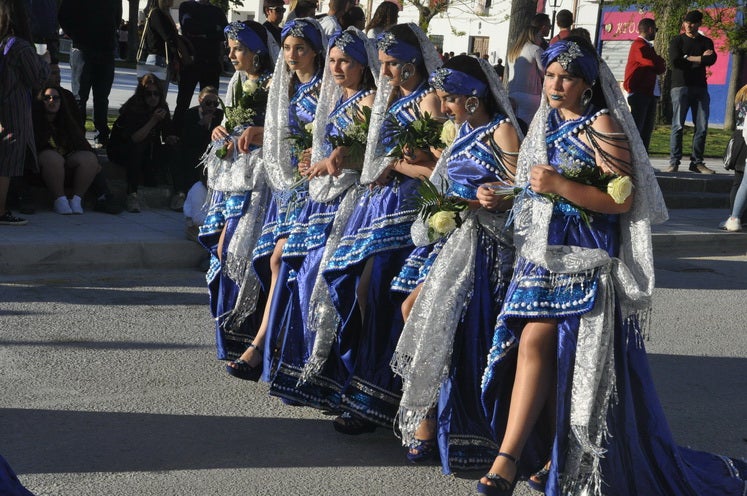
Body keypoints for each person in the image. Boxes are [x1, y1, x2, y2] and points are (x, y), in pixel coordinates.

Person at [477, 37, 747, 496]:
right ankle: (535, 453)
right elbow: (530, 190)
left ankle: (512, 458)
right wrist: (500, 195)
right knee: (540, 346)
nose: (556, 85)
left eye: (567, 77)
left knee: (556, 348)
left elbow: (620, 202)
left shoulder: (601, 122)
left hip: (583, 253)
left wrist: (561, 185)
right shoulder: (543, 124)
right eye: (551, 76)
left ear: (586, 84)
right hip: (542, 255)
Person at [391, 54, 521, 472]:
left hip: (485, 244)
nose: (443, 107)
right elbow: (445, 179)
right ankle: (429, 417)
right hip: (454, 236)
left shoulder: (501, 130)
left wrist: (483, 199)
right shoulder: (461, 130)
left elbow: (521, 192)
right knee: (416, 310)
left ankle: (438, 424)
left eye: (448, 99)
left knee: (427, 314)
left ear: (471, 97)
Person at [320, 23, 443, 434]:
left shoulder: (431, 103)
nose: (385, 72)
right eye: (383, 63)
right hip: (376, 207)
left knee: (379, 294)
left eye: (392, 64)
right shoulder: (390, 99)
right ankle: (358, 385)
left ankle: (380, 398)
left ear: (412, 64)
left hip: (412, 213)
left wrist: (397, 164)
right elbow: (372, 155)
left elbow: (442, 173)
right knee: (356, 289)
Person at [267, 27, 379, 408]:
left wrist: (343, 157)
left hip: (352, 201)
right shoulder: (332, 100)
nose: (336, 67)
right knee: (297, 271)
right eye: (331, 60)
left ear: (363, 65)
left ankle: (333, 375)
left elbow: (376, 157)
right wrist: (311, 160)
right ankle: (302, 368)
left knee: (325, 280)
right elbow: (321, 145)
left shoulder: (371, 101)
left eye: (344, 60)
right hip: (320, 199)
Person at [229, 18, 325, 383]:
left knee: (279, 258)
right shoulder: (282, 86)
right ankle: (269, 346)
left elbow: (323, 136)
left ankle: (262, 346)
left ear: (315, 50)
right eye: (286, 48)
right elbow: (278, 131)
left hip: (309, 186)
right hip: (284, 186)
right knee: (270, 261)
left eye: (300, 48)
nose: (292, 55)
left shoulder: (322, 91)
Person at [197, 21, 278, 367]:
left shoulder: (274, 84)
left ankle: (249, 334)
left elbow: (280, 128)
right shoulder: (235, 82)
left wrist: (259, 133)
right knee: (223, 248)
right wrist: (222, 128)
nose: (231, 55)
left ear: (257, 52)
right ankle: (232, 335)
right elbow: (231, 120)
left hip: (261, 179)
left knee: (242, 249)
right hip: (235, 175)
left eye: (238, 49)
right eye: (229, 48)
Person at [0, 0, 50, 226]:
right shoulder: (19, 46)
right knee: (7, 165)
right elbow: (37, 78)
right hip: (12, 111)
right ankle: (1, 211)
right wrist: (46, 62)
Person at [107, 73, 178, 213]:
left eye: (156, 94)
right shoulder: (133, 109)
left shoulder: (162, 107)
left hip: (148, 151)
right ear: (142, 94)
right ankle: (131, 194)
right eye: (149, 94)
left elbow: (166, 133)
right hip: (123, 149)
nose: (153, 98)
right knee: (138, 147)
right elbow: (134, 139)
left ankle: (179, 192)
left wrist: (170, 137)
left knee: (175, 148)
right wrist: (153, 121)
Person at [58, 0, 120, 147]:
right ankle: (77, 136)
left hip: (105, 48)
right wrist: (77, 35)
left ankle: (101, 136)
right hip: (83, 48)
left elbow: (117, 16)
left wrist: (109, 33)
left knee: (102, 97)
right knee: (80, 97)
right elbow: (63, 16)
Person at [32, 85, 101, 214]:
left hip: (67, 161)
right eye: (47, 98)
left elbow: (82, 143)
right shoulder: (34, 121)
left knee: (89, 159)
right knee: (52, 158)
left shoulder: (67, 121)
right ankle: (60, 200)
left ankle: (76, 200)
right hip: (42, 167)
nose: (52, 101)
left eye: (56, 98)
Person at [666, 10, 717, 174]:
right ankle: (674, 162)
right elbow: (676, 62)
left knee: (701, 127)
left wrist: (688, 57)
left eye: (693, 22)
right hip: (680, 86)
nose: (689, 25)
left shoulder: (706, 41)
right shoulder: (677, 41)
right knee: (678, 126)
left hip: (700, 87)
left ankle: (697, 162)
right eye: (687, 22)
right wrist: (698, 58)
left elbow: (711, 59)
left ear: (699, 24)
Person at [173, 0, 228, 131]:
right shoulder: (187, 6)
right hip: (191, 62)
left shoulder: (217, 11)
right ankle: (175, 133)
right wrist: (212, 29)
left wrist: (202, 33)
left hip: (211, 63)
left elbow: (224, 33)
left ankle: (209, 132)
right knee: (183, 101)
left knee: (211, 103)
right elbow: (188, 26)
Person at [173, 86, 223, 211]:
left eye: (215, 103)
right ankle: (181, 194)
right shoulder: (190, 114)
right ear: (200, 100)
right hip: (192, 149)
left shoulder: (220, 116)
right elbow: (186, 137)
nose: (211, 107)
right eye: (208, 103)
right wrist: (201, 125)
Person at [624, 17, 665, 151]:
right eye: (656, 30)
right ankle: (634, 159)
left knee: (646, 130)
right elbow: (653, 63)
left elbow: (659, 67)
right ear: (650, 29)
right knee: (638, 129)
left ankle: (643, 159)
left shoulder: (647, 46)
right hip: (640, 92)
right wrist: (659, 60)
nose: (656, 33)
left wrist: (658, 61)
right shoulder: (639, 45)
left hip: (649, 93)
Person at [721, 84, 747, 232]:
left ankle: (734, 216)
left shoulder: (741, 95)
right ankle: (736, 216)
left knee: (738, 182)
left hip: (739, 141)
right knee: (740, 183)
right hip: (743, 141)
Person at [506, 25, 544, 125]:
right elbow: (543, 72)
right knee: (528, 126)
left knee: (515, 125)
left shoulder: (513, 51)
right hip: (530, 93)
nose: (541, 40)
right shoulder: (535, 49)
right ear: (533, 36)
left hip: (512, 92)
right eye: (539, 36)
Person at [141, 0, 179, 93]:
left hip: (161, 58)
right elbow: (167, 36)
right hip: (158, 58)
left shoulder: (163, 13)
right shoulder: (157, 13)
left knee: (157, 95)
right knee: (155, 95)